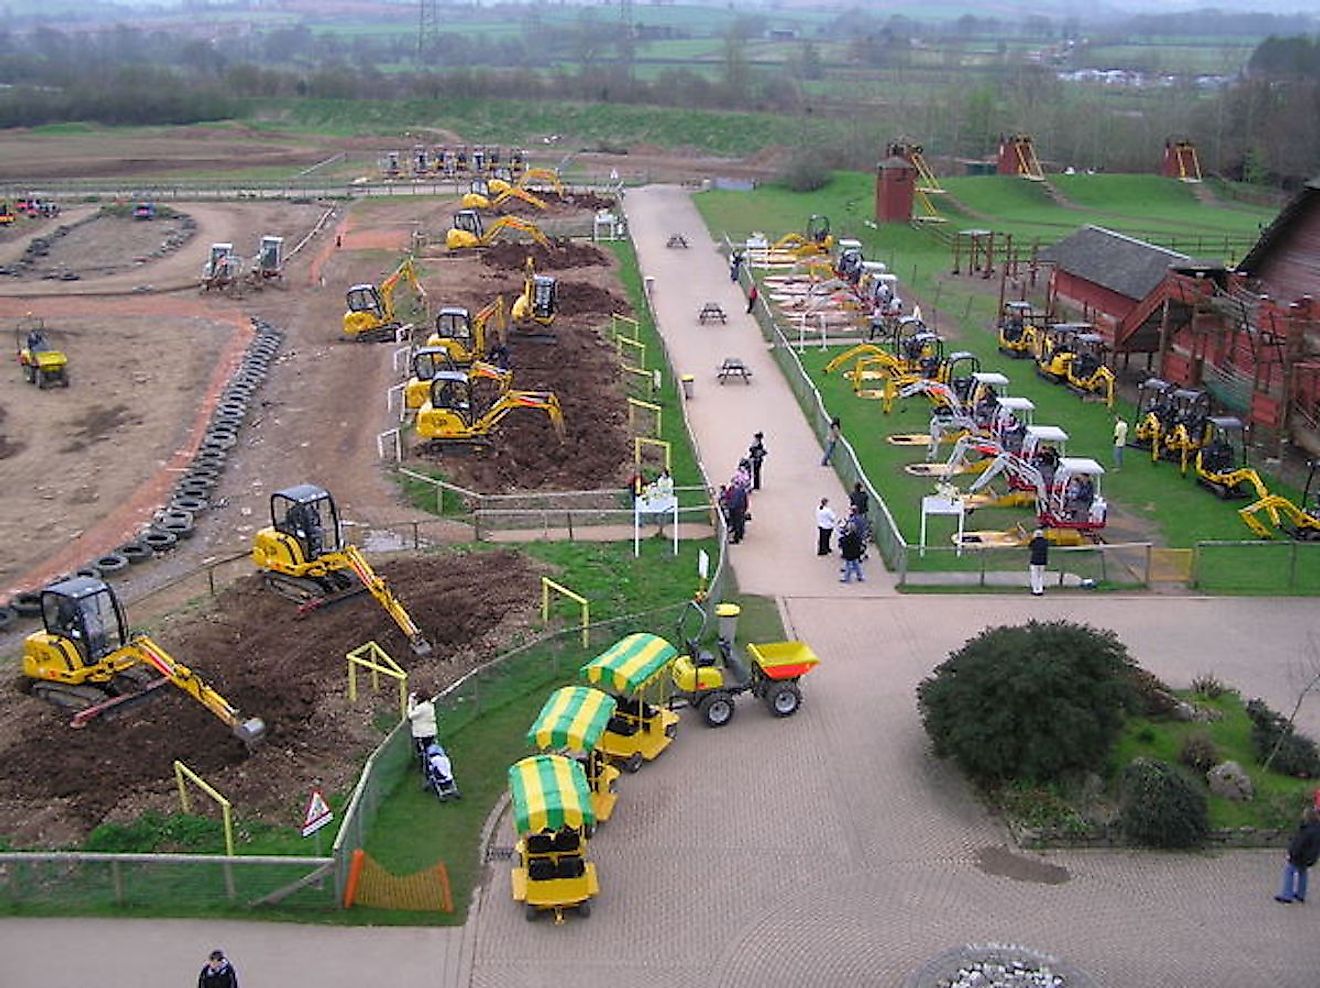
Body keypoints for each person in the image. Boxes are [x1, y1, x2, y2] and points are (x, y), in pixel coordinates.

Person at [1276, 805, 1320, 903]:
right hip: (1310, 857)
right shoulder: (1317, 829)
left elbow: (1298, 845)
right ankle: (1301, 894)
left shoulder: (1306, 830)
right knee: (1302, 872)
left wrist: (1291, 854)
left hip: (1299, 856)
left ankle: (1286, 895)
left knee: (1289, 871)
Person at [407, 689, 438, 753]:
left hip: (423, 734)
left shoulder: (422, 707)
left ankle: (425, 762)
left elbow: (410, 715)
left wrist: (410, 703)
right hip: (430, 732)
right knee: (430, 750)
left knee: (423, 751)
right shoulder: (430, 704)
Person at [839, 514, 866, 583]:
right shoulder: (856, 536)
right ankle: (860, 576)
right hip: (855, 553)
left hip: (849, 553)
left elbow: (842, 542)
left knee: (849, 565)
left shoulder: (848, 537)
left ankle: (846, 578)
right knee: (856, 564)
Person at [1028, 528, 1049, 597]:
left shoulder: (1033, 542)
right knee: (1041, 576)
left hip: (1034, 561)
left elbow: (1030, 547)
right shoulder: (1045, 542)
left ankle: (1035, 590)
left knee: (1034, 576)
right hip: (1043, 561)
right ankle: (1040, 590)